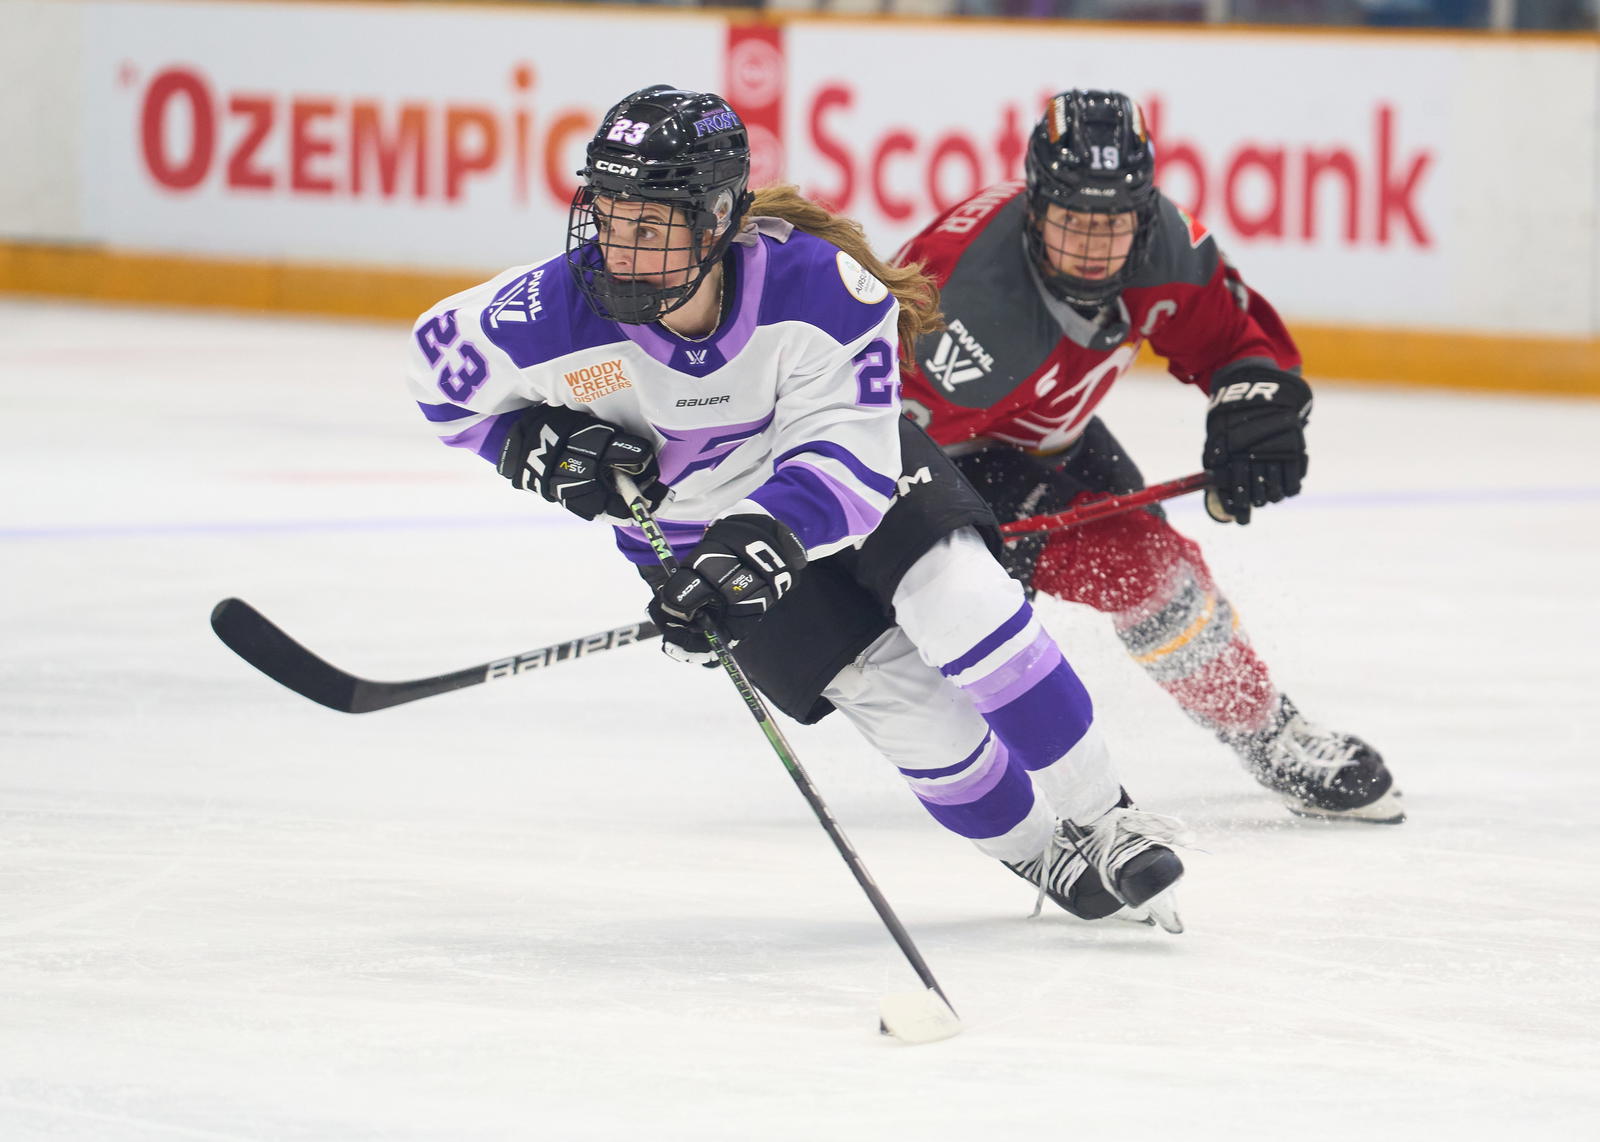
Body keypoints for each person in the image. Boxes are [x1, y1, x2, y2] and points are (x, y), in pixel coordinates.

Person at [403, 85, 1190, 930]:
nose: (620, 250)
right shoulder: (546, 312)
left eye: (650, 225)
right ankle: (1040, 855)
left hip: (838, 483)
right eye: (608, 217)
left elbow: (848, 474)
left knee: (961, 596)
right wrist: (532, 448)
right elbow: (435, 377)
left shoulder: (822, 291)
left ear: (713, 220)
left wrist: (758, 543)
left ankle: (1106, 818)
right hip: (690, 534)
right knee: (908, 713)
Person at [894, 89, 1403, 824]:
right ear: (1036, 207)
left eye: (1114, 223)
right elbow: (869, 428)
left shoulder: (1167, 243)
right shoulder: (960, 294)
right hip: (945, 456)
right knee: (1145, 570)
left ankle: (1259, 721)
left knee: (1158, 564)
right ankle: (1268, 735)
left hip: (1050, 429)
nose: (1096, 249)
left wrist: (1252, 406)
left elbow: (1234, 342)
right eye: (1074, 222)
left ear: (1144, 208)